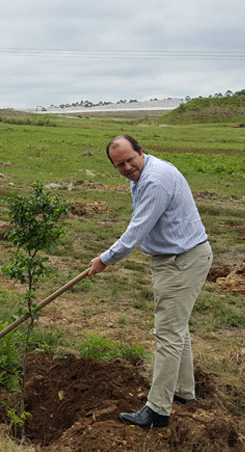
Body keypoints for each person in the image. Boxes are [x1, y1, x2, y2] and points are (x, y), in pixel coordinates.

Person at [88, 135, 212, 429]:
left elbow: (137, 231)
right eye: (120, 165)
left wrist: (105, 259)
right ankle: (182, 392)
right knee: (177, 329)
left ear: (141, 152)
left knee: (168, 333)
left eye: (130, 160)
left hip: (182, 261)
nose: (127, 168)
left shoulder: (155, 181)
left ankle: (157, 410)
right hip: (178, 257)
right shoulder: (145, 174)